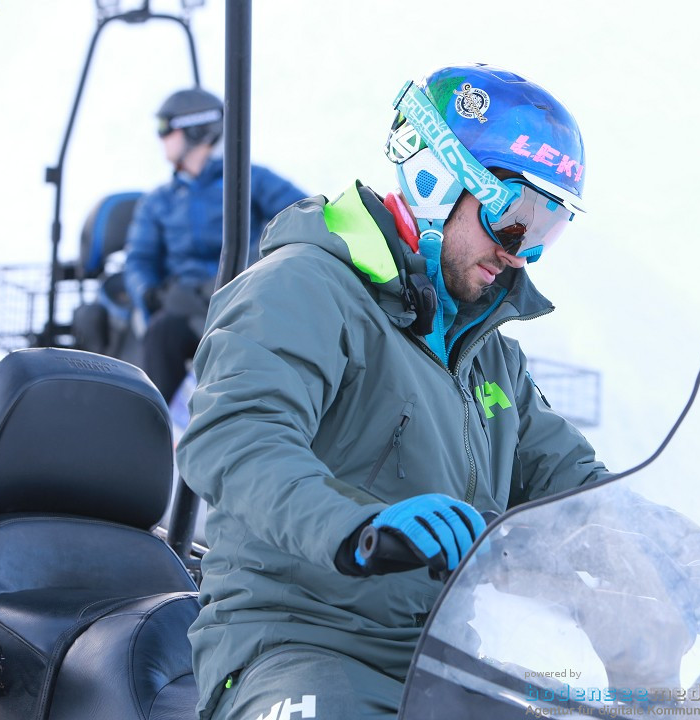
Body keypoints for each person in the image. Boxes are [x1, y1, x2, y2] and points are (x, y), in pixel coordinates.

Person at [176, 64, 609, 720]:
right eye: (514, 219)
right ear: (437, 178)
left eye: (548, 229)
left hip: (438, 661)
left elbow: (580, 490)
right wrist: (356, 528)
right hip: (292, 649)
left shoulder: (488, 354)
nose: (521, 255)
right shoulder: (302, 289)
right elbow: (237, 438)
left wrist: (692, 566)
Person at [123, 87, 307, 401]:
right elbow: (139, 259)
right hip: (187, 307)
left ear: (196, 129)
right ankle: (152, 422)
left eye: (165, 129)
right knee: (162, 333)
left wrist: (252, 266)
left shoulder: (248, 178)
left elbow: (302, 215)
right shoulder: (159, 202)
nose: (160, 138)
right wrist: (153, 294)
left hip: (245, 296)